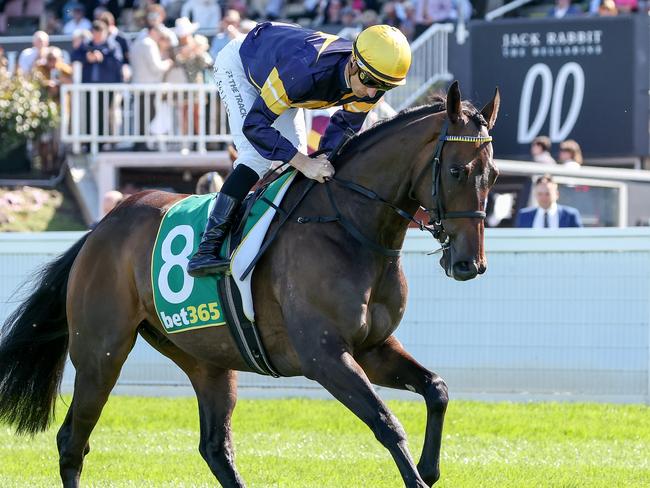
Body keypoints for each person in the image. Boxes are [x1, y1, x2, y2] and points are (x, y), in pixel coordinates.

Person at [186, 22, 411, 276]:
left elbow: (343, 128)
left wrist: (320, 159)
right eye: (370, 81)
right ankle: (206, 249)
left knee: (298, 163)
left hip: (284, 74)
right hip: (242, 67)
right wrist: (304, 162)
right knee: (257, 156)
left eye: (383, 86)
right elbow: (255, 126)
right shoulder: (304, 70)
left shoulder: (372, 80)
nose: (372, 92)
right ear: (353, 63)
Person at [516, 175, 582, 228]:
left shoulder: (570, 215)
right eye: (540, 194)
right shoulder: (524, 215)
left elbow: (579, 240)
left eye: (548, 194)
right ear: (535, 195)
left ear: (557, 194)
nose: (543, 197)